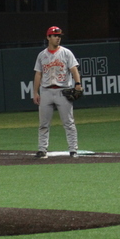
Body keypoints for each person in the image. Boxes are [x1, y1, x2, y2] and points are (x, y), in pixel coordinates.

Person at [32, 26, 83, 158]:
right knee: (43, 123)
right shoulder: (42, 55)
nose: (58, 38)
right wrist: (35, 92)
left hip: (63, 90)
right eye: (55, 36)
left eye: (59, 36)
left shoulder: (66, 53)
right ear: (48, 37)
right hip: (46, 91)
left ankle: (73, 150)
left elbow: (74, 70)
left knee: (68, 122)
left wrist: (77, 84)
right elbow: (38, 74)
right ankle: (42, 149)